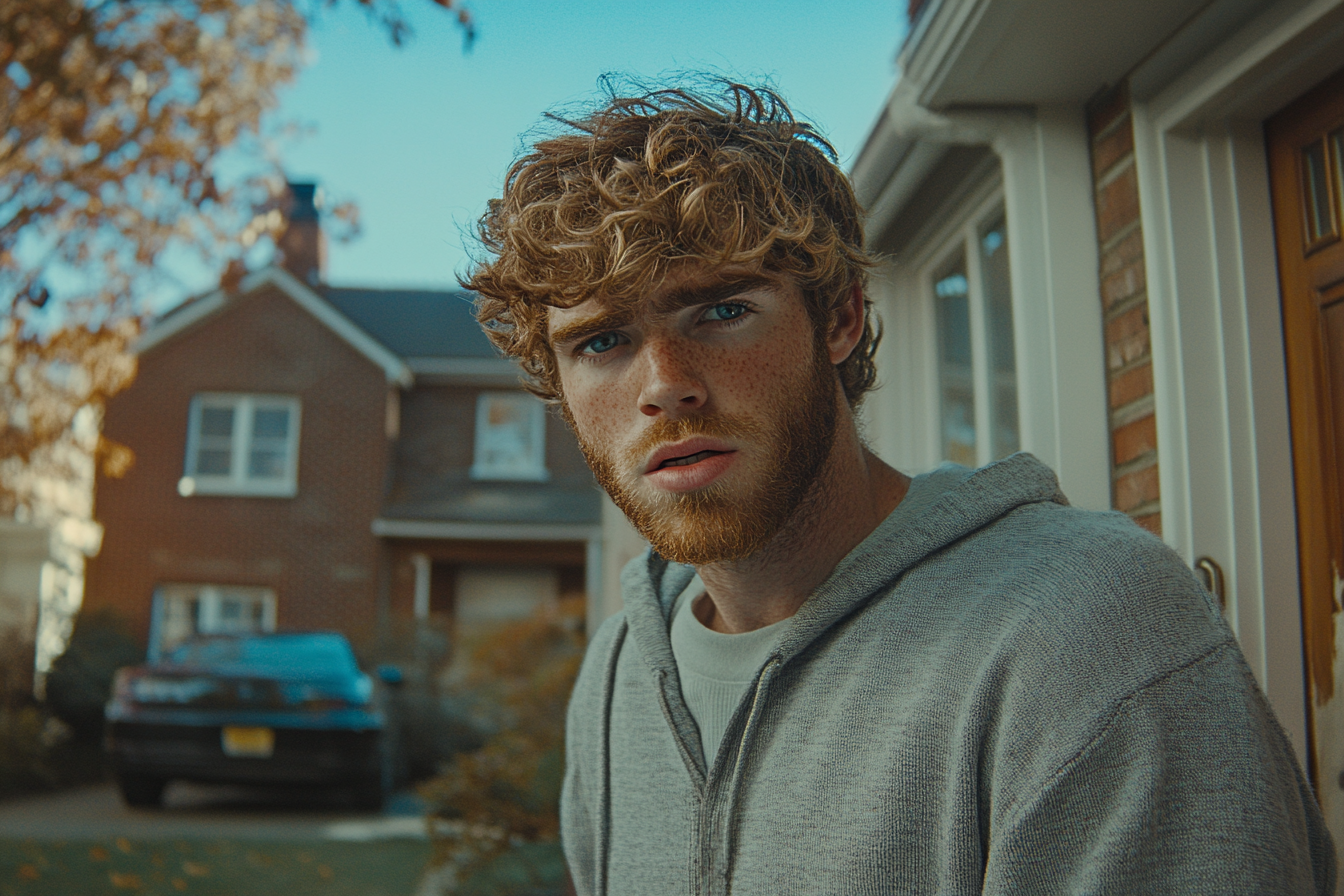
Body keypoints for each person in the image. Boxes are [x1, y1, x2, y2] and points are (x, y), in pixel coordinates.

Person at [465, 79, 1335, 895]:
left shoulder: (1090, 632)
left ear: (839, 318)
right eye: (601, 343)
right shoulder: (618, 668)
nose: (665, 384)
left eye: (722, 311)